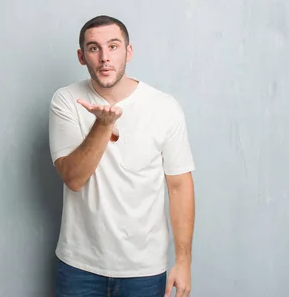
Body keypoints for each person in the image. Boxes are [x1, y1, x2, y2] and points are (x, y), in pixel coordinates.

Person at [48, 15, 195, 297]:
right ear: (82, 56)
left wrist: (184, 262)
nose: (105, 57)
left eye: (113, 46)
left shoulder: (164, 107)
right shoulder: (66, 100)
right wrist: (102, 126)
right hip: (79, 266)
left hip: (144, 270)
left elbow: (179, 186)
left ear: (129, 51)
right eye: (94, 48)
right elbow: (74, 178)